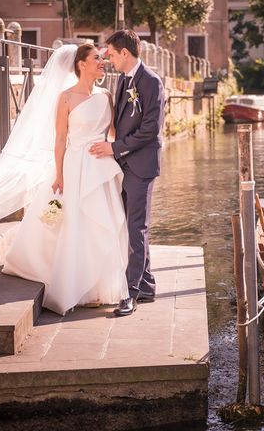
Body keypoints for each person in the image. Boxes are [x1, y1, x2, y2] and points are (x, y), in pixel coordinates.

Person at [0, 44, 129, 315]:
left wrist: (114, 150)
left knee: (104, 224)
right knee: (77, 224)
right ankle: (77, 285)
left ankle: (101, 284)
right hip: (75, 167)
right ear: (81, 65)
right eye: (96, 59)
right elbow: (60, 140)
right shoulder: (65, 98)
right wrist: (60, 175)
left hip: (100, 168)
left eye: (103, 58)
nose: (102, 62)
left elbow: (113, 132)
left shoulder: (106, 96)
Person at [89, 30, 165, 316]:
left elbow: (150, 130)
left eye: (110, 54)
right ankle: (146, 285)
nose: (108, 59)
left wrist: (114, 148)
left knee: (137, 227)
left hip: (142, 165)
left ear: (125, 53)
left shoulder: (151, 82)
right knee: (132, 226)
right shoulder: (122, 80)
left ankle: (130, 293)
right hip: (123, 164)